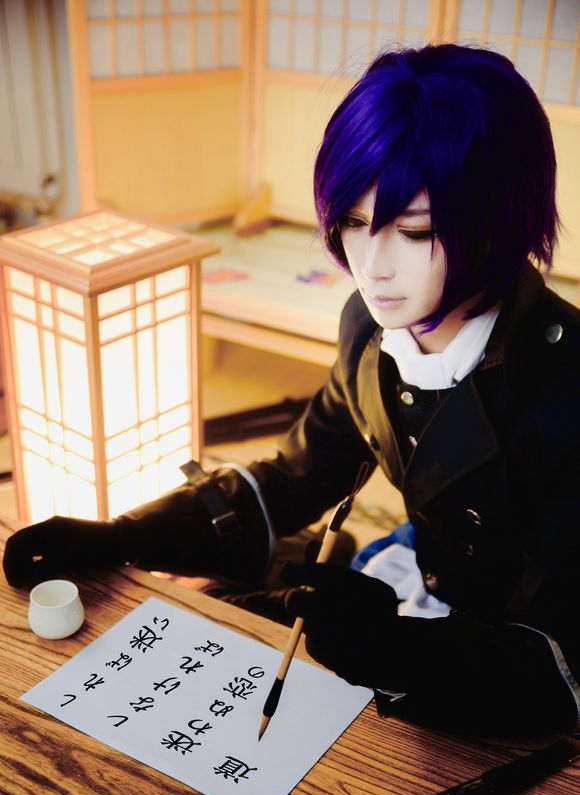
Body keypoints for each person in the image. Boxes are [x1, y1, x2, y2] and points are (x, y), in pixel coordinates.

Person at [3, 43, 579, 734]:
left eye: (414, 230)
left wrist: (397, 652)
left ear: (499, 220)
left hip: (513, 658)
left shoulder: (565, 388)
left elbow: (565, 658)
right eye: (354, 222)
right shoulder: (369, 329)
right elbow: (292, 479)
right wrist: (122, 535)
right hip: (418, 584)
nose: (371, 265)